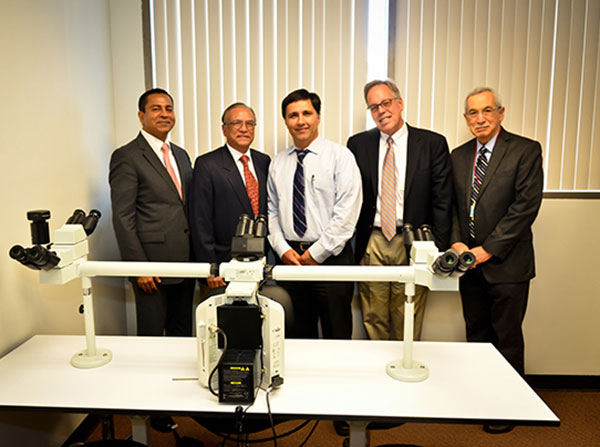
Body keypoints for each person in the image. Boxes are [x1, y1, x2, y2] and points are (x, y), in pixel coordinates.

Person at [451, 87, 543, 434]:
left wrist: (486, 250)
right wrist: (459, 243)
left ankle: (507, 404)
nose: (480, 118)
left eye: (487, 111)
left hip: (507, 263)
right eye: (473, 113)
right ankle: (481, 397)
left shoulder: (525, 151)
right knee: (476, 334)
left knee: (506, 336)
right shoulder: (458, 156)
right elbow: (455, 207)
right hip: (467, 264)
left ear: (501, 113)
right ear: (466, 118)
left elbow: (525, 208)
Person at [347, 79, 453, 341]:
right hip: (372, 240)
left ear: (400, 103)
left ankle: (405, 369)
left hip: (414, 239)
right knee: (373, 314)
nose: (381, 111)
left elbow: (442, 201)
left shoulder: (432, 143)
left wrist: (436, 248)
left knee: (409, 313)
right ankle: (380, 373)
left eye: (385, 103)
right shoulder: (357, 145)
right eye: (373, 107)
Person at [267, 88, 362, 340]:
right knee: (296, 334)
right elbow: (272, 212)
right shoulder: (278, 162)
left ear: (318, 116)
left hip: (332, 259)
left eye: (306, 113)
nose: (300, 121)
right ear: (286, 121)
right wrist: (283, 250)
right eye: (293, 115)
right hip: (290, 261)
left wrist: (316, 254)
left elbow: (347, 213)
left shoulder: (341, 157)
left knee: (336, 331)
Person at [109, 88, 195, 337]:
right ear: (141, 115)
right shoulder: (127, 156)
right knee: (152, 335)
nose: (164, 114)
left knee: (183, 333)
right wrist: (139, 268)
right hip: (151, 268)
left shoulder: (180, 154)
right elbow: (123, 217)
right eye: (156, 109)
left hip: (186, 264)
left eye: (168, 108)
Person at [188, 102, 270, 287]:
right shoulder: (207, 164)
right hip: (224, 264)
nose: (244, 129)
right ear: (224, 129)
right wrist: (210, 267)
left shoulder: (263, 161)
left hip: (260, 261)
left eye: (250, 124)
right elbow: (200, 220)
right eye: (236, 123)